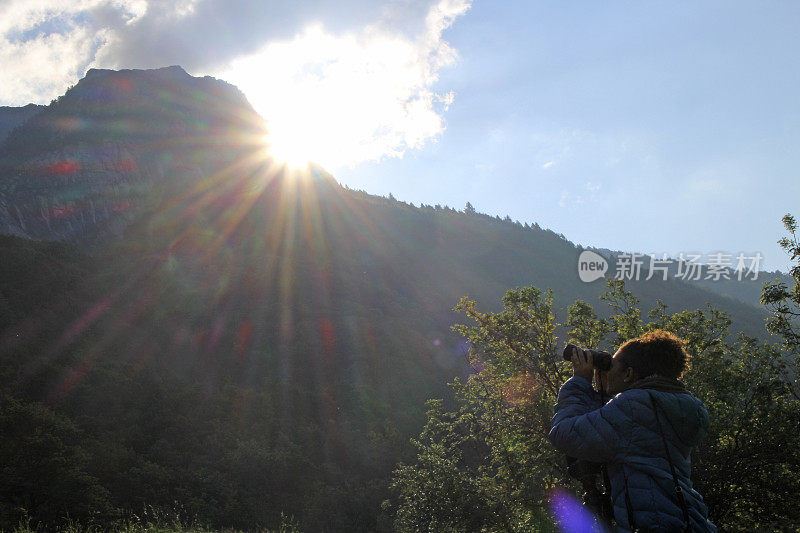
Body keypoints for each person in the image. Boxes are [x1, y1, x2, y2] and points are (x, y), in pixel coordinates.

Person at [548, 330, 717, 532]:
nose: (608, 370)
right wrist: (603, 391)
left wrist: (579, 382)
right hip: (688, 520)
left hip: (654, 524)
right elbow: (613, 430)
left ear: (628, 374)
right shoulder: (668, 405)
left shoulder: (632, 407)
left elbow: (564, 433)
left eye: (612, 365)